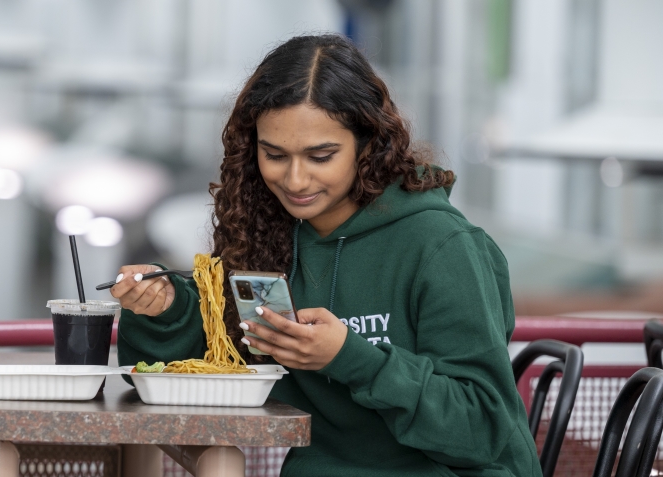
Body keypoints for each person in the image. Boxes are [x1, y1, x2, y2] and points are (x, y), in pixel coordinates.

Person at [110, 34, 541, 476]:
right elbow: (204, 369)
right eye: (274, 155)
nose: (295, 180)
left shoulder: (443, 246)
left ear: (368, 144)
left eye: (321, 156)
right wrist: (167, 311)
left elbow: (482, 428)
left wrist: (351, 358)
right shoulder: (271, 238)